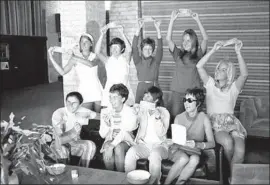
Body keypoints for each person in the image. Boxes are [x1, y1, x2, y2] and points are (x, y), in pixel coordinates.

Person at [196, 39, 248, 167]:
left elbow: (244, 74)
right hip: (216, 123)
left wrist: (238, 52)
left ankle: (233, 178)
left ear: (229, 73)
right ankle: (232, 173)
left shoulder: (234, 88)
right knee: (228, 142)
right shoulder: (210, 84)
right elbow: (199, 66)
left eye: (223, 69)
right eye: (218, 68)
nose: (218, 71)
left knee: (240, 150)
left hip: (232, 123)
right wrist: (213, 50)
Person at [164, 87, 215, 184]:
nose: (186, 103)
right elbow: (176, 141)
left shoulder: (204, 118)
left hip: (194, 151)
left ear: (198, 103)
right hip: (178, 150)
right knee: (184, 158)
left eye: (190, 100)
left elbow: (212, 143)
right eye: (185, 100)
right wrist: (171, 141)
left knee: (195, 159)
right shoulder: (179, 118)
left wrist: (197, 145)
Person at [166, 9, 208, 121]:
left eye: (189, 40)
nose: (185, 43)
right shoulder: (178, 54)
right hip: (177, 94)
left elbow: (205, 39)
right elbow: (168, 39)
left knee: (193, 120)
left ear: (194, 42)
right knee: (176, 118)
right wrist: (172, 20)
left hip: (193, 94)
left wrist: (197, 19)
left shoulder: (198, 54)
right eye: (184, 40)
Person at [125, 86, 170, 184]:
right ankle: (129, 181)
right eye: (144, 96)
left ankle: (154, 182)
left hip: (160, 145)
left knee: (154, 155)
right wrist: (133, 114)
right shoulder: (141, 110)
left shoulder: (164, 112)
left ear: (156, 99)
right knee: (131, 153)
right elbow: (131, 127)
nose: (144, 98)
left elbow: (161, 133)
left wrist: (157, 117)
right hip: (143, 144)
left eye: (148, 96)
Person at [48, 33, 103, 113]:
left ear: (91, 44)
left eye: (86, 42)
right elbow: (62, 72)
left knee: (99, 117)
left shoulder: (95, 56)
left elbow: (91, 64)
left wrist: (74, 56)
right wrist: (50, 56)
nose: (84, 44)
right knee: (86, 119)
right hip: (84, 91)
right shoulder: (74, 59)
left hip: (97, 90)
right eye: (82, 42)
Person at [51, 91, 97, 168]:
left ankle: (83, 171)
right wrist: (73, 132)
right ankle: (65, 174)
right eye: (68, 102)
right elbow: (59, 140)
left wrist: (108, 117)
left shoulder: (82, 111)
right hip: (58, 144)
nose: (70, 105)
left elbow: (100, 116)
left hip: (75, 144)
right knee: (62, 149)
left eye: (74, 103)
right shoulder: (59, 113)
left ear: (80, 104)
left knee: (90, 145)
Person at [99, 83, 137, 172]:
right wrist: (107, 124)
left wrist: (112, 144)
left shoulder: (131, 112)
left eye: (115, 97)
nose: (111, 100)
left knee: (118, 147)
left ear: (123, 99)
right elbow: (102, 135)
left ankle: (121, 177)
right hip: (110, 139)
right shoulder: (105, 112)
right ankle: (111, 178)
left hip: (126, 140)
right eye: (110, 97)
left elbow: (128, 130)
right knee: (107, 146)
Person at [95, 23, 135, 108]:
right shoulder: (108, 60)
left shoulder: (125, 59)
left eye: (117, 47)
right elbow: (97, 52)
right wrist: (102, 34)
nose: (114, 49)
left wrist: (122, 33)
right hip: (110, 91)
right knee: (109, 115)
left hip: (124, 90)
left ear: (122, 49)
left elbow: (130, 49)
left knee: (125, 115)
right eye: (112, 47)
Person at [132, 18, 163, 103]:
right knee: (139, 111)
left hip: (153, 89)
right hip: (141, 89)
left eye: (150, 49)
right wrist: (138, 29)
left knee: (155, 111)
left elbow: (160, 48)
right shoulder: (138, 61)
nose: (147, 51)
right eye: (145, 48)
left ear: (153, 50)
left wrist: (158, 29)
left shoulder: (156, 61)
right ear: (142, 50)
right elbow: (134, 47)